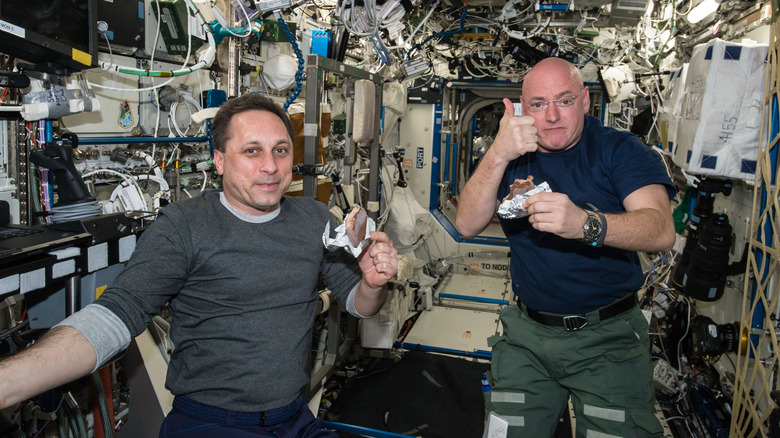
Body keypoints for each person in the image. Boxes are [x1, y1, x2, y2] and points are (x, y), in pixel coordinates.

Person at [0, 94, 398, 437]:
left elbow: (358, 303)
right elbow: (117, 315)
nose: (271, 167)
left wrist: (373, 283)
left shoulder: (315, 219)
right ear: (219, 161)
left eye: (280, 150)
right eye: (252, 151)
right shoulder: (185, 226)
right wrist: (9, 382)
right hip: (211, 423)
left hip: (295, 419)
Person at [456, 57, 675, 437]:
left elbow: (660, 229)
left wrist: (585, 225)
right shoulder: (509, 155)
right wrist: (498, 152)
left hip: (608, 339)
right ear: (523, 108)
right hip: (528, 336)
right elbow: (467, 223)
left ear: (586, 101)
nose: (552, 115)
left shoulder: (620, 150)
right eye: (539, 104)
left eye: (564, 100)